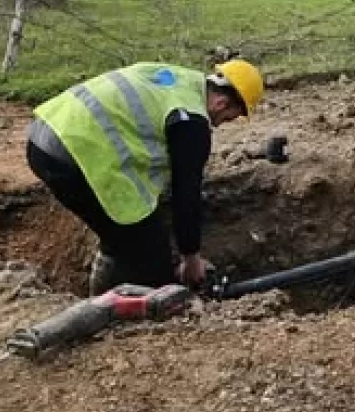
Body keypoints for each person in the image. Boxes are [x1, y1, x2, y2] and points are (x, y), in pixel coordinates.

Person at [25, 59, 265, 294]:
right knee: (151, 262)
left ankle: (100, 297)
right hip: (76, 155)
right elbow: (186, 194)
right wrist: (192, 260)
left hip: (43, 137)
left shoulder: (173, 77)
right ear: (222, 103)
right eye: (229, 118)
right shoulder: (192, 122)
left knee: (126, 238)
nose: (221, 124)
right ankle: (115, 316)